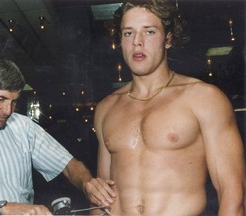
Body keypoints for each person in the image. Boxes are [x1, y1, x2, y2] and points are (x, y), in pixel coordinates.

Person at [93, 0, 245, 215]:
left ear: (168, 39)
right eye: (128, 33)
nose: (137, 42)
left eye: (149, 32)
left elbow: (233, 195)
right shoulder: (106, 109)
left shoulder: (204, 98)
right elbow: (102, 200)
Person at [0, 56, 116, 215]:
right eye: (1, 99)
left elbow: (69, 165)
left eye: (14, 101)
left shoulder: (23, 127)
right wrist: (4, 209)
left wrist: (87, 182)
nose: (8, 110)